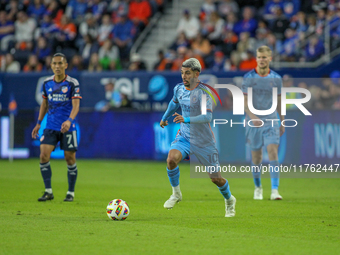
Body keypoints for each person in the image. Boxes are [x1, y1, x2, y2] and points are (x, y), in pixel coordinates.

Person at [160, 58, 236, 217]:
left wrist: (185, 119)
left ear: (196, 74)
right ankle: (176, 194)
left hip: (204, 141)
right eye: (182, 72)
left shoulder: (204, 92)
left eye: (187, 73)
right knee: (171, 159)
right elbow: (173, 104)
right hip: (185, 137)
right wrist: (165, 117)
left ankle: (229, 200)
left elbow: (207, 117)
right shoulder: (179, 89)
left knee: (216, 179)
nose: (183, 76)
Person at [31, 53, 82, 202]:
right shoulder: (47, 83)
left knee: (70, 158)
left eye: (60, 63)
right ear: (51, 65)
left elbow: (76, 105)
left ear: (66, 65)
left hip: (68, 127)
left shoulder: (72, 83)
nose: (57, 66)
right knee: (43, 155)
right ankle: (48, 191)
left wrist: (69, 120)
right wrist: (39, 123)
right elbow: (45, 104)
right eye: (55, 63)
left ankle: (70, 193)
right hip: (51, 126)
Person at [242, 45, 284, 200]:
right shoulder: (248, 78)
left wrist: (283, 121)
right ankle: (258, 186)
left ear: (270, 59)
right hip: (253, 121)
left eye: (264, 57)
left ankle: (274, 190)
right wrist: (253, 117)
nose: (261, 60)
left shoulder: (276, 79)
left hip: (271, 119)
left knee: (273, 151)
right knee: (257, 157)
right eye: (259, 57)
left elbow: (279, 100)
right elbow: (245, 102)